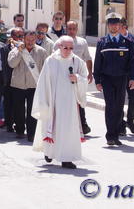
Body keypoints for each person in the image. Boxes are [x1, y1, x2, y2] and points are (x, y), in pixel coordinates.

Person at [32, 36, 89, 169]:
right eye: (65, 47)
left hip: (69, 104)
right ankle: (49, 152)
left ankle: (66, 159)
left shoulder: (77, 61)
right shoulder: (51, 61)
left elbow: (85, 79)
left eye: (71, 48)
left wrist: (78, 78)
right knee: (52, 127)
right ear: (59, 47)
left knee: (68, 130)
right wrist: (43, 101)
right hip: (53, 102)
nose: (68, 50)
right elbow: (43, 82)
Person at [93, 13, 134, 146]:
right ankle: (110, 136)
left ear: (120, 25)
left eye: (116, 24)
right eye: (111, 24)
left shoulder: (128, 42)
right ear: (108, 26)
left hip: (122, 78)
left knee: (119, 107)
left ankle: (116, 134)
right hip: (107, 79)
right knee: (110, 106)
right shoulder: (102, 42)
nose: (114, 26)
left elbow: (132, 63)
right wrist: (97, 80)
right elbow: (98, 62)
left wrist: (132, 78)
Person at [8, 31, 47, 141]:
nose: (30, 42)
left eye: (32, 40)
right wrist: (20, 52)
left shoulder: (41, 51)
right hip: (18, 85)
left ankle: (31, 133)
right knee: (18, 110)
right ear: (24, 39)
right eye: (28, 40)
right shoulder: (15, 51)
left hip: (34, 85)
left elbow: (45, 69)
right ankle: (20, 130)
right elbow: (11, 64)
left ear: (36, 39)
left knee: (32, 110)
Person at [65, 20, 93, 135]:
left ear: (77, 29)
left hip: (79, 77)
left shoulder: (82, 42)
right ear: (66, 29)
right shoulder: (60, 42)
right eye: (69, 29)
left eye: (73, 29)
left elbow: (88, 58)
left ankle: (83, 124)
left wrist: (90, 73)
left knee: (80, 100)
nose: (71, 31)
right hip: (65, 77)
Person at [2, 27, 24, 133]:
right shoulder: (5, 48)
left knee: (19, 104)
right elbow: (4, 65)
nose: (20, 38)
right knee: (8, 104)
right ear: (12, 37)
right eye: (17, 36)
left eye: (21, 36)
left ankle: (19, 123)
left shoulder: (26, 48)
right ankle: (9, 124)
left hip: (21, 81)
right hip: (9, 80)